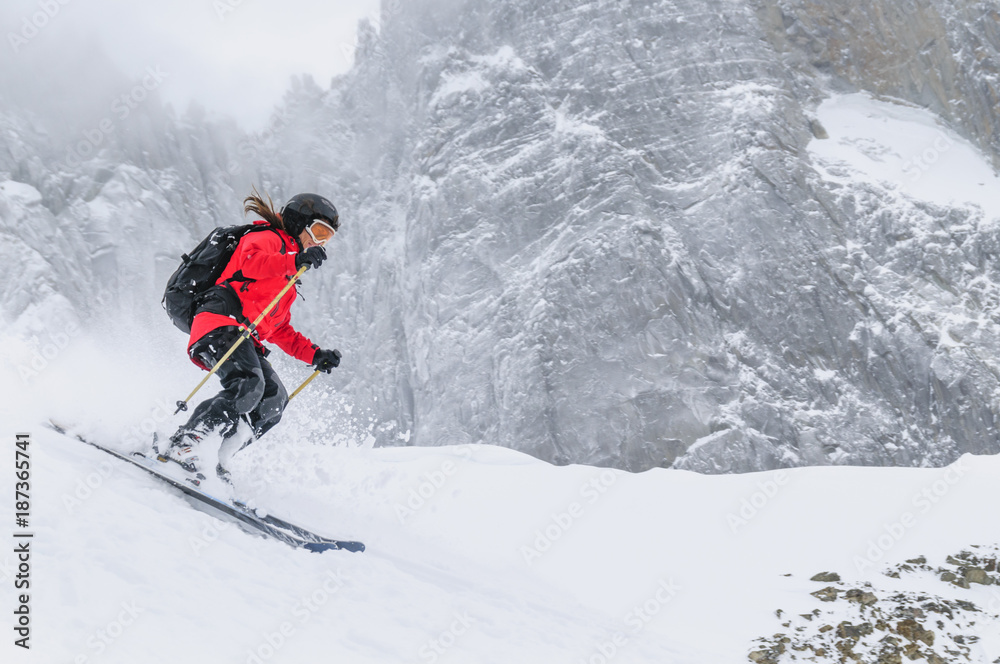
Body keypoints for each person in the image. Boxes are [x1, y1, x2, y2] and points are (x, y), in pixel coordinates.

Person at [165, 188, 342, 474]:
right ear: (299, 222)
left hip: (242, 335)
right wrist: (293, 261)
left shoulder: (287, 277)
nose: (320, 242)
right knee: (248, 383)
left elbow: (279, 328)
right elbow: (250, 262)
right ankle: (185, 443)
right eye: (319, 231)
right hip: (218, 322)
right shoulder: (268, 239)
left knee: (274, 400)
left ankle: (215, 458)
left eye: (328, 237)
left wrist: (314, 354)